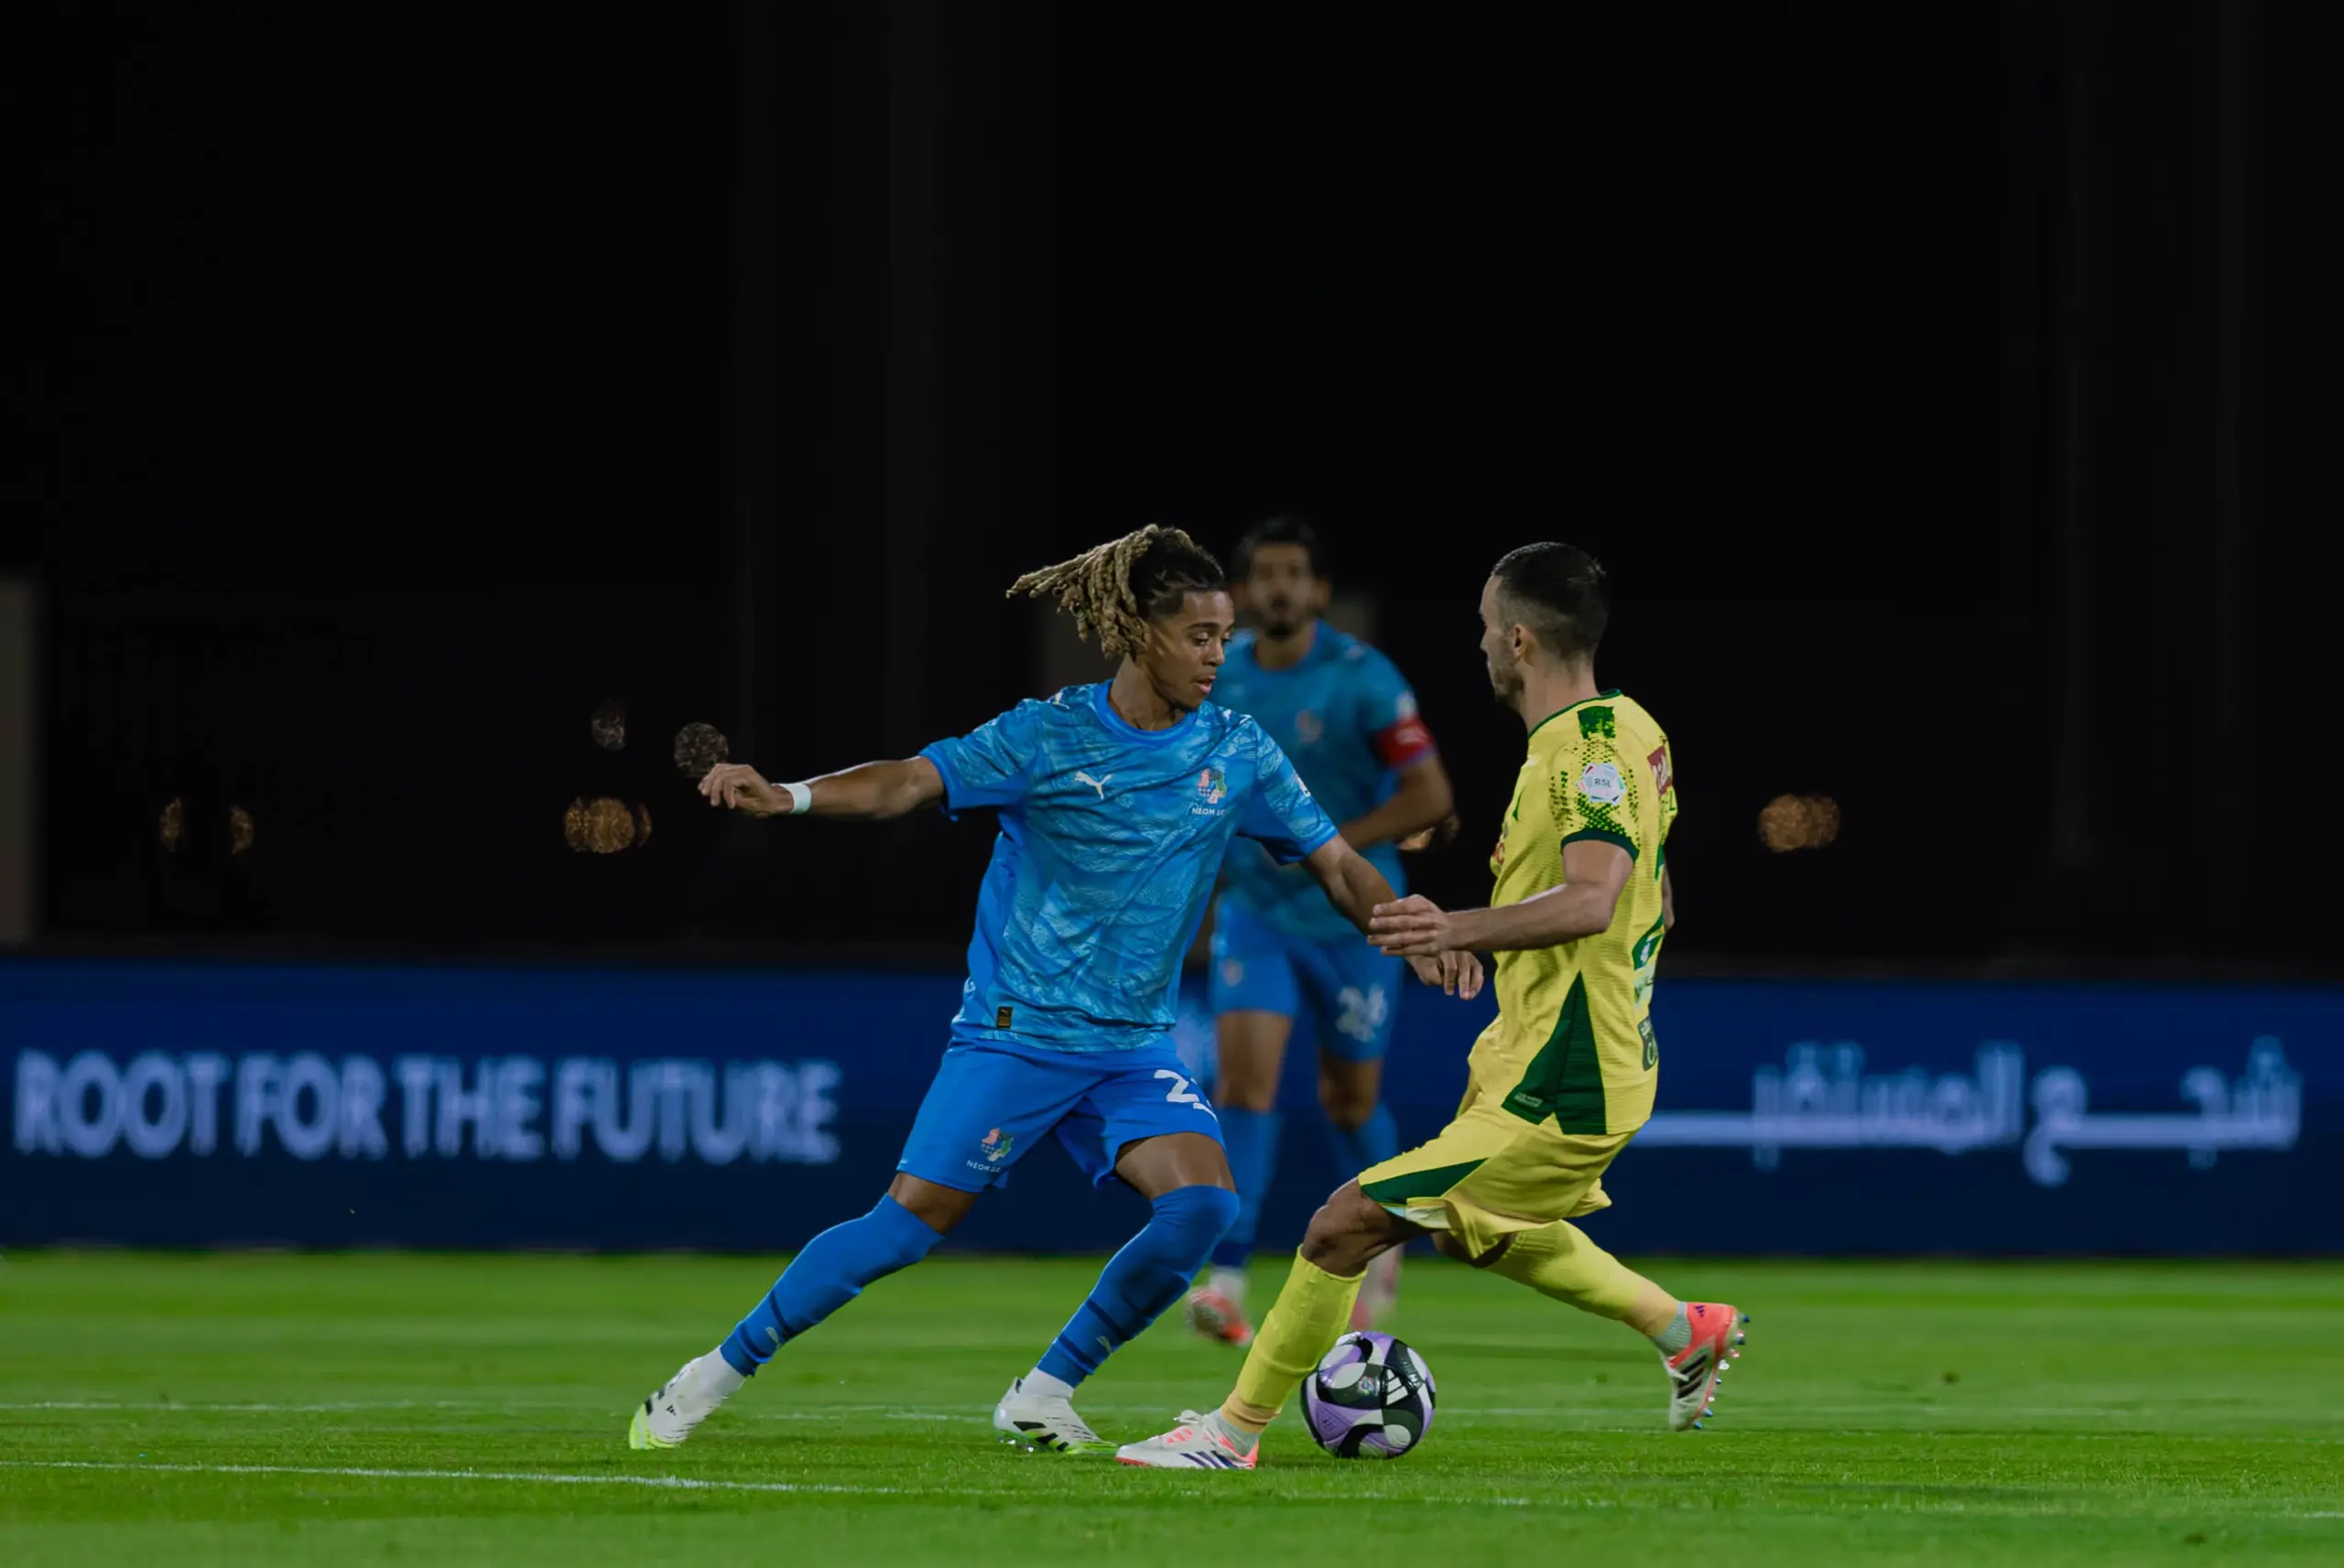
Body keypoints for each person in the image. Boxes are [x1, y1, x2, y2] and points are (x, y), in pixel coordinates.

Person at [626, 524, 1481, 1456]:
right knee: (905, 1228)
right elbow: (907, 782)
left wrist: (1413, 932)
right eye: (1198, 636)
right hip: (1016, 1033)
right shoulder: (1046, 735)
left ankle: (1042, 1392)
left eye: (1223, 636)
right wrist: (788, 795)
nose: (1216, 656)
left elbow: (1337, 864)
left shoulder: (1237, 749)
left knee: (1203, 1207)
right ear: (1138, 633)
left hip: (1130, 1049)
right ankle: (711, 1374)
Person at [1118, 543, 1742, 1472]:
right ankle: (1684, 1329)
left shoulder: (1588, 753)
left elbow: (1593, 899)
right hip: (1546, 1053)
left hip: (1564, 1077)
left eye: (1487, 628)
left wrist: (1460, 928)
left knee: (1341, 1226)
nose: (1480, 644)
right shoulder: (1628, 729)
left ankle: (1231, 1434)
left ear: (1520, 640)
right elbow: (1654, 897)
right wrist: (1506, 948)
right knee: (1483, 1233)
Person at [1188, 517, 1456, 1348]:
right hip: (1257, 914)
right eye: (1264, 575)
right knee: (1244, 1086)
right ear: (1242, 593)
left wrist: (1326, 842)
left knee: (1351, 1100)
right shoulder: (1219, 676)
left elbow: (1430, 796)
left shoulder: (1362, 677)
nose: (1279, 588)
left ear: (1320, 591)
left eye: (1293, 574)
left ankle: (1384, 1250)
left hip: (1354, 917)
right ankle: (1226, 1279)